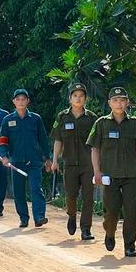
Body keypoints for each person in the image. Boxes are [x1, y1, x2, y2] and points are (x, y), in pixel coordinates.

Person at [86, 87, 136, 257]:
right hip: (110, 176)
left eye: (122, 100)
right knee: (112, 211)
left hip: (131, 174)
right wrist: (97, 171)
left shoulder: (135, 124)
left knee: (131, 212)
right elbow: (95, 149)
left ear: (127, 102)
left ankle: (130, 245)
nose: (119, 103)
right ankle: (109, 232)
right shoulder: (101, 123)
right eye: (115, 100)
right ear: (109, 103)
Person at [50, 83, 98, 240]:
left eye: (81, 96)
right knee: (71, 196)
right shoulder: (62, 117)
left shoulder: (92, 118)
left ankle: (86, 229)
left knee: (88, 197)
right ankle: (71, 215)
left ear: (85, 99)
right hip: (69, 163)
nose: (78, 98)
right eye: (75, 95)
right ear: (70, 98)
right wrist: (54, 160)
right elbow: (58, 140)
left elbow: (97, 144)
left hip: (87, 164)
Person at [0, 89, 52, 228]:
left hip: (34, 161)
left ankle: (39, 216)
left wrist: (48, 158)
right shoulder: (8, 120)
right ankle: (23, 217)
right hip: (16, 161)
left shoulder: (35, 119)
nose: (21, 102)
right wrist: (4, 156)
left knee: (36, 188)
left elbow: (43, 140)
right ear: (14, 102)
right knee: (19, 192)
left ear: (28, 101)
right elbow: (3, 140)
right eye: (18, 99)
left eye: (23, 99)